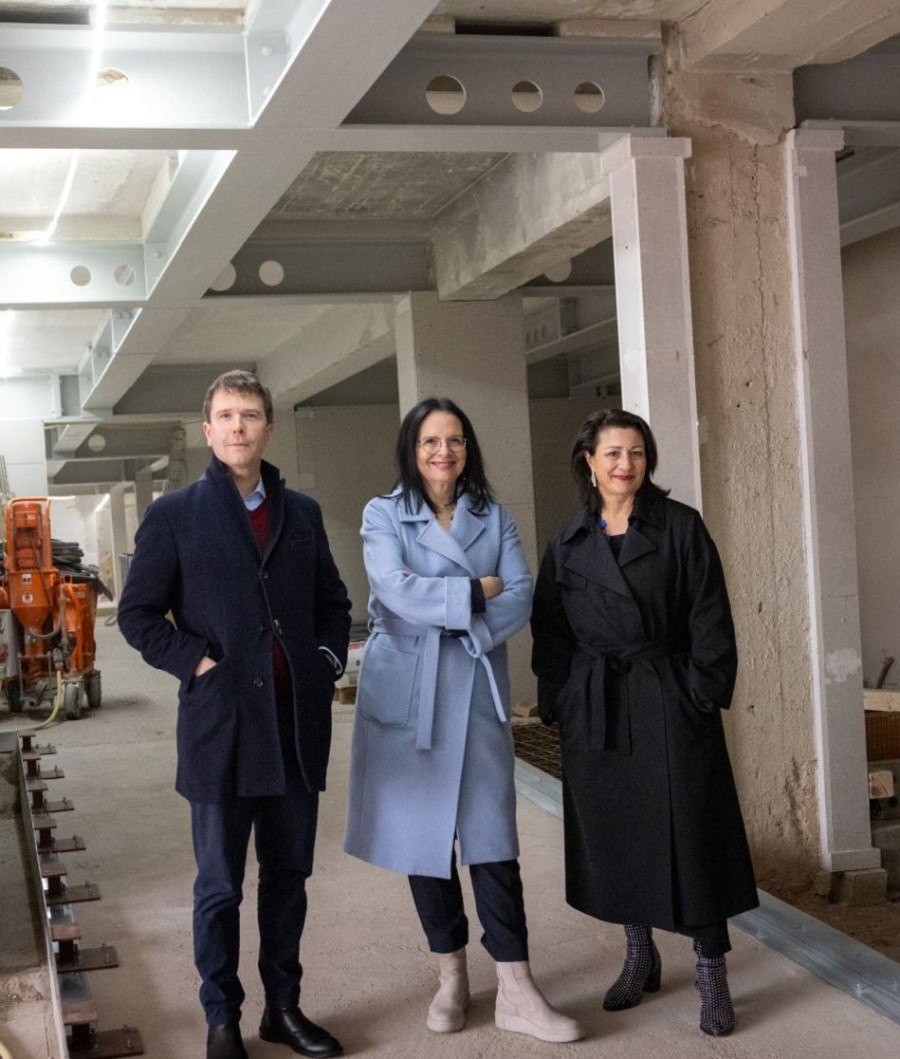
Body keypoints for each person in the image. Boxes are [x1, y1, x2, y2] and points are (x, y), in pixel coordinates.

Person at [118, 370, 351, 1059]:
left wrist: (324, 662)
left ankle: (283, 1007)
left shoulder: (301, 513)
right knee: (220, 884)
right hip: (221, 729)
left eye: (251, 414)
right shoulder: (175, 514)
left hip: (293, 728)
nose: (239, 426)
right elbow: (135, 614)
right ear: (208, 429)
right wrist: (196, 662)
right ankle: (223, 1016)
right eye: (226, 415)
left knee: (287, 878)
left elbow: (334, 603)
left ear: (267, 427)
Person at [344, 397, 582, 1044]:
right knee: (424, 841)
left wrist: (455, 615)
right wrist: (476, 591)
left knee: (491, 837)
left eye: (454, 440)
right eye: (429, 441)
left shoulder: (491, 515)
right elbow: (393, 589)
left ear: (467, 449)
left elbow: (523, 592)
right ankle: (450, 973)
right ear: (411, 449)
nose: (442, 451)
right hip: (410, 690)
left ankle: (515, 986)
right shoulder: (383, 513)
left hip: (473, 682)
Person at [530, 408, 758, 1038]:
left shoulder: (680, 526)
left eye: (636, 453)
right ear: (588, 461)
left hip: (668, 697)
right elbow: (548, 625)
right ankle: (640, 955)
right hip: (598, 703)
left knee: (694, 832)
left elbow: (712, 612)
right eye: (612, 454)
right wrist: (563, 695)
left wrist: (699, 691)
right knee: (618, 833)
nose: (625, 464)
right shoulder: (569, 538)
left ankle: (712, 972)